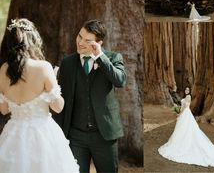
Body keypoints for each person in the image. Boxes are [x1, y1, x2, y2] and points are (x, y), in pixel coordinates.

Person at [0, 18, 80, 173]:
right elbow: (57, 107)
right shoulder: (43, 68)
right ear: (33, 40)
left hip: (13, 135)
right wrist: (55, 84)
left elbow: (3, 110)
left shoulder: (3, 70)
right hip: (42, 135)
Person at [53, 19, 126, 173]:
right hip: (75, 136)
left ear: (98, 42)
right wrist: (59, 133)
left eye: (87, 40)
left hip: (104, 135)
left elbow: (120, 80)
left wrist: (100, 56)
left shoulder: (113, 58)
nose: (80, 42)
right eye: (79, 37)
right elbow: (62, 99)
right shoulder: (67, 63)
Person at [158, 87, 214, 167]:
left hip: (185, 114)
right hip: (185, 114)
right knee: (183, 130)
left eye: (187, 90)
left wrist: (179, 113)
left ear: (189, 91)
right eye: (185, 89)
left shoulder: (188, 97)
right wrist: (178, 110)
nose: (186, 90)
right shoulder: (186, 97)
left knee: (186, 129)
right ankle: (182, 142)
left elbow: (185, 107)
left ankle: (184, 144)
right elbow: (182, 106)